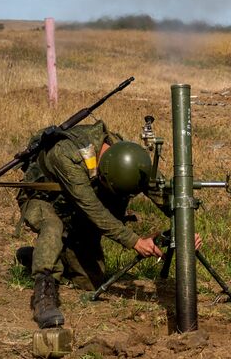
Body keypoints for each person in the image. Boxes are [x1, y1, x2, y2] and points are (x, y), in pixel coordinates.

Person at [15, 120, 201, 329]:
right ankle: (44, 295)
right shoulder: (67, 155)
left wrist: (185, 228)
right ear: (104, 176)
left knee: (90, 282)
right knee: (52, 227)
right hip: (44, 201)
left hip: (74, 210)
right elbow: (91, 207)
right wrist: (134, 241)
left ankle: (36, 256)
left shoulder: (128, 158)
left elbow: (160, 191)